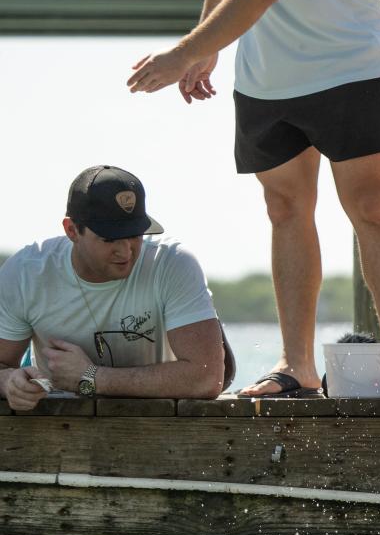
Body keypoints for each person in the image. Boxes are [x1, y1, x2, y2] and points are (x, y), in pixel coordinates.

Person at [127, 0, 380, 398]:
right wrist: (208, 45)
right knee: (284, 210)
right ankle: (297, 364)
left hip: (349, 60)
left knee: (372, 208)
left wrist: (185, 51)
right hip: (266, 77)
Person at [0, 166, 225, 411]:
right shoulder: (25, 272)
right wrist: (8, 382)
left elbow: (207, 378)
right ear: (72, 230)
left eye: (135, 235)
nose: (126, 251)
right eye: (110, 238)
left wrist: (92, 378)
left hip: (161, 422)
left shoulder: (173, 263)